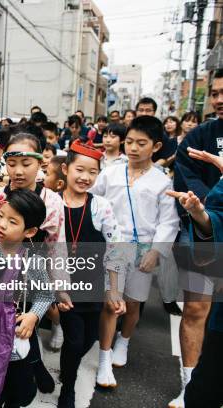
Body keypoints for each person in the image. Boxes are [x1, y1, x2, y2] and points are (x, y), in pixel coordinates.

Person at [91, 116, 179, 380]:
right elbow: (93, 199)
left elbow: (168, 220)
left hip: (143, 249)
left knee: (133, 303)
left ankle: (124, 340)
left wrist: (156, 251)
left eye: (142, 143)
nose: (133, 148)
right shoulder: (111, 172)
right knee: (111, 303)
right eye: (129, 141)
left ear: (156, 146)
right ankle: (104, 359)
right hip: (114, 245)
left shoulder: (162, 181)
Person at [169, 68, 223, 408]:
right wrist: (205, 207)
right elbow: (185, 175)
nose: (218, 99)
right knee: (196, 310)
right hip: (206, 230)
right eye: (215, 93)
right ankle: (191, 384)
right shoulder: (202, 135)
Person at [58, 141, 125, 406]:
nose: (85, 177)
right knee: (74, 340)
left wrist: (114, 288)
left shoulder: (101, 206)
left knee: (88, 338)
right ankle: (68, 388)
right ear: (65, 169)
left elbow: (115, 249)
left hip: (92, 283)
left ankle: (68, 366)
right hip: (62, 283)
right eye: (79, 170)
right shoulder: (51, 201)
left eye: (92, 172)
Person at [0, 189, 54, 407]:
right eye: (0, 216)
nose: (1, 225)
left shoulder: (32, 261)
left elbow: (46, 293)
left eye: (12, 221)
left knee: (13, 390)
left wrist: (33, 316)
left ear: (29, 231)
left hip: (11, 339)